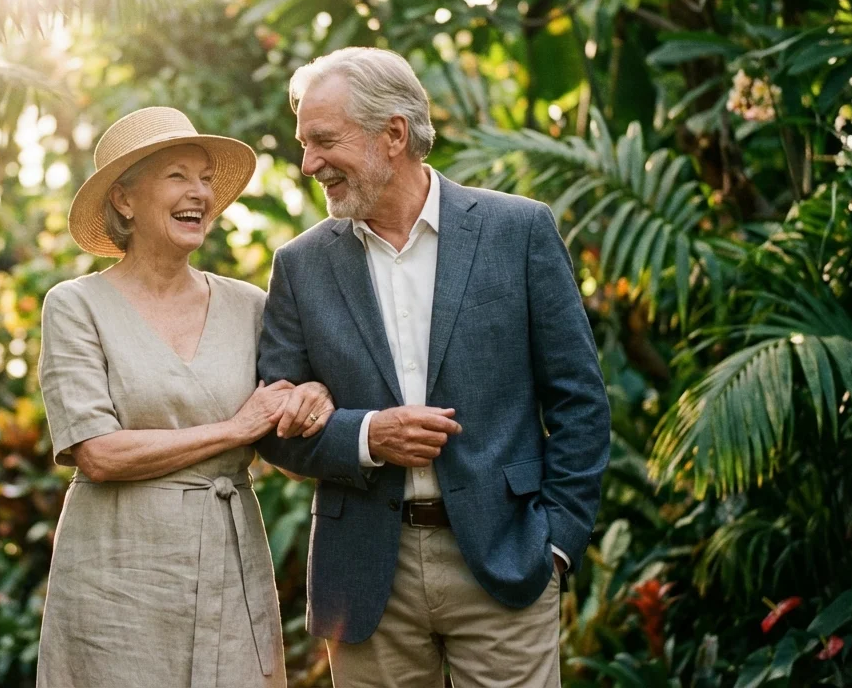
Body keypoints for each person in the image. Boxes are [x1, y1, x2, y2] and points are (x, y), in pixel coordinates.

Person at [254, 47, 611, 687]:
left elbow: (580, 400)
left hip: (507, 561)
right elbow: (272, 419)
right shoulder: (299, 265)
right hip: (364, 576)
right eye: (304, 144)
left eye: (323, 141)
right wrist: (367, 437)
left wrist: (555, 545)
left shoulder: (519, 230)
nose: (308, 164)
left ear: (393, 134)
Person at [35, 106, 333, 688]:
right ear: (124, 199)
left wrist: (313, 394)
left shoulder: (249, 304)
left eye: (204, 178)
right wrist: (233, 430)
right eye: (177, 175)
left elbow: (286, 405)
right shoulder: (75, 306)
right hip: (116, 568)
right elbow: (97, 453)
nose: (200, 192)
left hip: (230, 558)